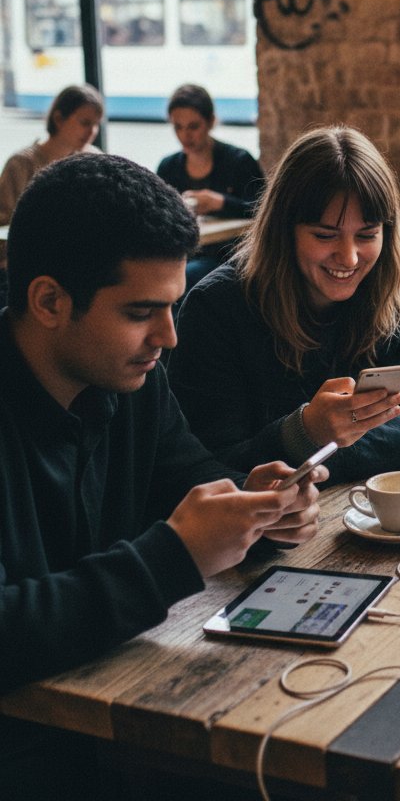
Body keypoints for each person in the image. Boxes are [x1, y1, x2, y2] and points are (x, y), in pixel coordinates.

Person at [0, 153, 325, 798]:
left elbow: (187, 475)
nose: (169, 337)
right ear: (48, 300)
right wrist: (173, 556)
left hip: (118, 718)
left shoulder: (128, 381)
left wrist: (252, 502)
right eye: (141, 311)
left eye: (172, 307)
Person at [168, 125, 400, 482]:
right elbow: (206, 465)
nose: (350, 258)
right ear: (284, 229)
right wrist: (302, 432)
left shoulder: (395, 284)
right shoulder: (216, 307)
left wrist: (323, 448)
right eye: (325, 235)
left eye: (367, 235)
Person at [156, 83, 265, 290]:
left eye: (193, 126)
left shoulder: (238, 161)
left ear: (210, 122)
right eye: (178, 127)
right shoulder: (168, 167)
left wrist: (220, 202)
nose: (185, 136)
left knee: (183, 278)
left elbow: (263, 208)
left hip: (227, 256)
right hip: (182, 254)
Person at [0, 84, 104, 258]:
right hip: (32, 258)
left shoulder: (93, 158)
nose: (92, 132)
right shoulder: (21, 164)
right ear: (58, 119)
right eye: (85, 123)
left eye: (96, 124)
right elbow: (4, 225)